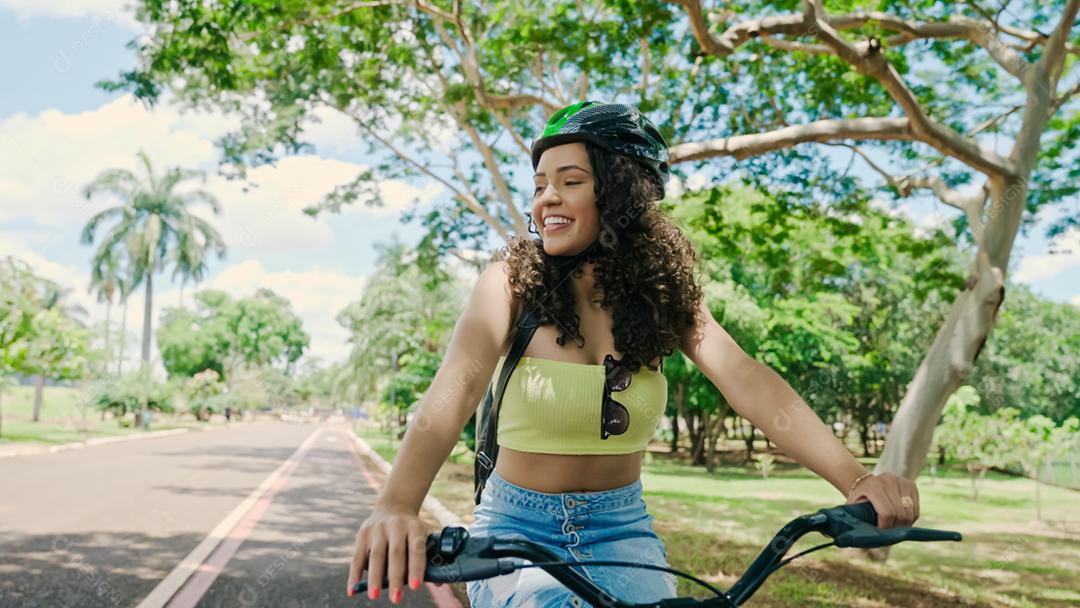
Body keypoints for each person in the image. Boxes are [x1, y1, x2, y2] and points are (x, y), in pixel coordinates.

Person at [347, 101, 921, 606]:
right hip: (517, 526)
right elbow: (457, 389)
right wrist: (398, 503)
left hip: (622, 528)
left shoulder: (665, 295)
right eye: (541, 182)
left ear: (619, 191)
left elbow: (746, 380)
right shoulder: (510, 284)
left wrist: (855, 479)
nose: (548, 196)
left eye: (570, 181)